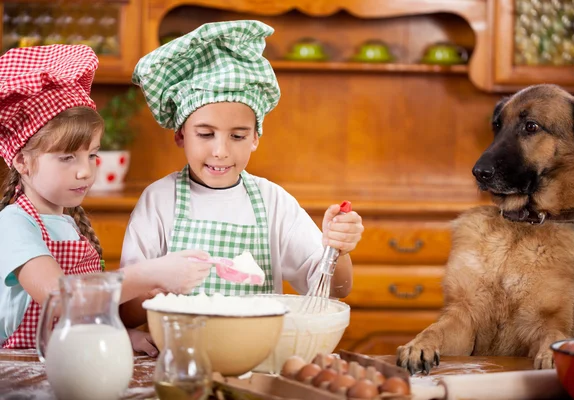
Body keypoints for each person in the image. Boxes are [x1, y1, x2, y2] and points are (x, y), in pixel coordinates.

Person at [119, 20, 364, 353]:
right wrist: (159, 285)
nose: (221, 150)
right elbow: (124, 311)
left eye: (237, 136)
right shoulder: (159, 201)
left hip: (257, 360)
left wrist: (338, 249)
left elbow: (335, 290)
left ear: (255, 138)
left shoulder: (273, 202)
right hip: (179, 360)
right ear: (180, 135)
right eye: (205, 134)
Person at [0, 44, 218, 350]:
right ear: (21, 161)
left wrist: (149, 296)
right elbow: (61, 299)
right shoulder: (13, 224)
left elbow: (87, 312)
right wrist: (147, 273)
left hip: (66, 362)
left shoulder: (69, 224)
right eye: (67, 158)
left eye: (91, 155)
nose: (85, 172)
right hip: (18, 370)